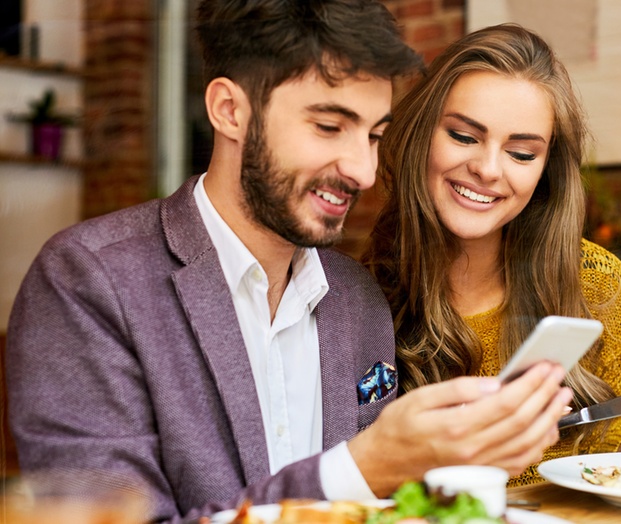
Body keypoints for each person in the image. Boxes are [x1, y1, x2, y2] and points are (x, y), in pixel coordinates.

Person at [4, 3, 573, 522]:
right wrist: (361, 467)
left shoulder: (358, 300)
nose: (363, 171)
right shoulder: (88, 283)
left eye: (374, 136)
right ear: (230, 110)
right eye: (329, 126)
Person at [362, 24, 621, 486]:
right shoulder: (356, 295)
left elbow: (594, 440)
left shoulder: (595, 281)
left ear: (546, 170)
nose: (487, 169)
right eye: (464, 137)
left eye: (521, 153)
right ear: (421, 135)